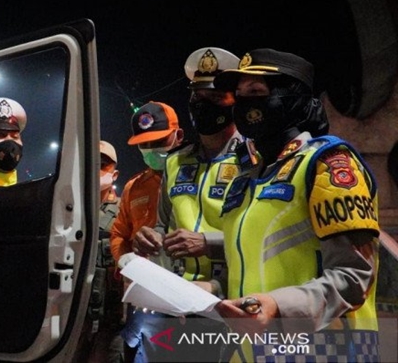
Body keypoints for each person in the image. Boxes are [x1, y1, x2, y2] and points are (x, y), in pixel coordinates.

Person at [212, 48, 380, 362]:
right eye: (240, 95)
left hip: (323, 350)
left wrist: (278, 307)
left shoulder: (327, 163)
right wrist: (213, 289)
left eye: (257, 92)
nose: (245, 104)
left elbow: (355, 276)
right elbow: (255, 266)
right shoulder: (249, 177)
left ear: (295, 98)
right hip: (255, 352)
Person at [131, 47, 243, 362]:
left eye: (215, 98)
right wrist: (149, 236)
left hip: (234, 301)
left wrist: (208, 244)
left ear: (235, 101)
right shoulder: (177, 162)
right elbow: (162, 225)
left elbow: (263, 240)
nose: (202, 106)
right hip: (182, 304)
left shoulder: (255, 160)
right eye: (196, 98)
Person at [109, 101, 184, 363]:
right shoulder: (134, 187)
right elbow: (119, 233)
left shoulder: (197, 177)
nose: (153, 150)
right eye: (145, 145)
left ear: (178, 135)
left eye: (159, 142)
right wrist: (124, 261)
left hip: (191, 292)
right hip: (146, 297)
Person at [77, 140, 125, 363]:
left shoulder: (125, 212)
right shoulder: (66, 208)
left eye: (102, 164)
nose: (94, 169)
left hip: (110, 321)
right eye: (89, 162)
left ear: (114, 175)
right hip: (73, 319)